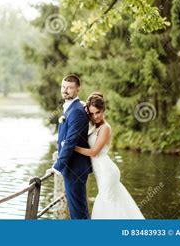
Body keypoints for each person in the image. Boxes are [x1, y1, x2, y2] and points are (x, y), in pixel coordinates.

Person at [74, 92, 145, 219]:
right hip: (101, 172)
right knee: (112, 205)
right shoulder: (94, 126)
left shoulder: (105, 128)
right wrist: (62, 118)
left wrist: (73, 148)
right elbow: (79, 108)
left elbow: (94, 152)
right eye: (92, 113)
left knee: (107, 204)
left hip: (107, 172)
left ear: (103, 110)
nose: (95, 116)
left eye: (98, 112)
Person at [48, 74, 93, 219]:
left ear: (77, 90)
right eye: (63, 87)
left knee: (78, 211)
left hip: (75, 168)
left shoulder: (77, 112)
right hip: (72, 167)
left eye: (69, 88)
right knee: (76, 209)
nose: (65, 90)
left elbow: (70, 142)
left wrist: (57, 166)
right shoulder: (72, 108)